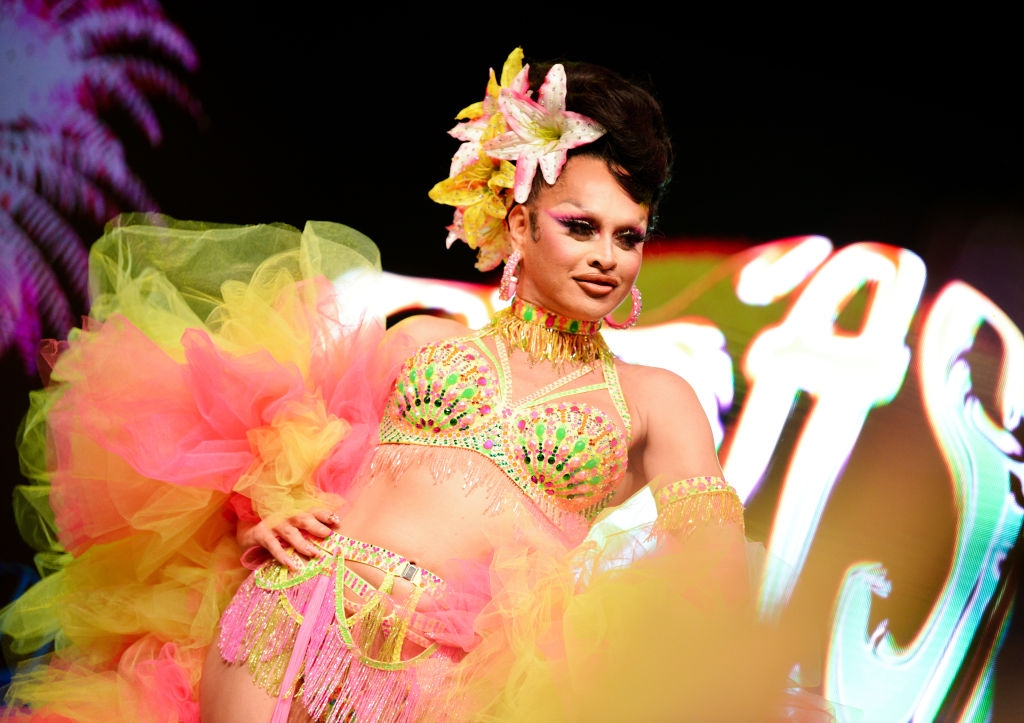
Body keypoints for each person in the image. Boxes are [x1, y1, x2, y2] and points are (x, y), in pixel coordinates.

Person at [0, 48, 826, 721]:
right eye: (580, 226)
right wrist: (274, 504)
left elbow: (711, 564)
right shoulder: (420, 339)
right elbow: (273, 444)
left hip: (457, 684)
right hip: (295, 615)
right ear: (519, 223)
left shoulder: (655, 398)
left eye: (628, 236)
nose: (606, 255)